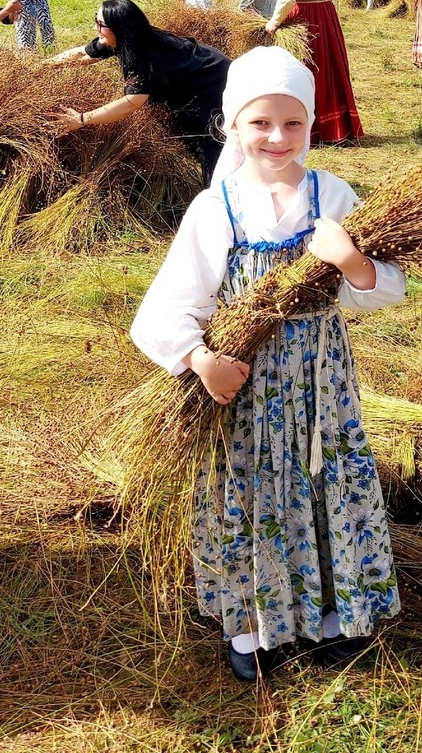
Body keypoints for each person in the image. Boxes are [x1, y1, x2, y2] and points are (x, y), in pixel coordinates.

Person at [129, 49, 403, 678]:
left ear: (311, 126)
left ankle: (332, 614)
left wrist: (352, 262)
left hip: (320, 382)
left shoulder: (330, 194)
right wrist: (201, 361)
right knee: (250, 492)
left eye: (294, 124)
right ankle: (253, 624)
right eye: (260, 123)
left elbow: (387, 287)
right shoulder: (215, 208)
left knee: (324, 477)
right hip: (245, 393)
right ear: (230, 125)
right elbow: (164, 309)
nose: (278, 139)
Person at [48, 0, 230, 185]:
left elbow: (131, 103)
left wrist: (82, 119)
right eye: (96, 19)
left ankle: (221, 193)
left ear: (119, 27)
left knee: (212, 144)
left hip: (213, 82)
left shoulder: (146, 58)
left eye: (101, 24)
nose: (96, 28)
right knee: (191, 138)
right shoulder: (123, 40)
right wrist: (44, 66)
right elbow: (83, 54)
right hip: (191, 81)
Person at [264, 0, 363, 146]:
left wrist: (274, 22)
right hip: (327, 18)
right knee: (329, 68)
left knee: (305, 71)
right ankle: (336, 126)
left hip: (304, 20)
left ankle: (312, 129)